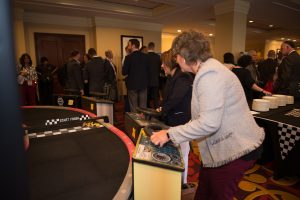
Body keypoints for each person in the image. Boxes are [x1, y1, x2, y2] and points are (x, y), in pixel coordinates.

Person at [150, 31, 265, 200]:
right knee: (204, 191)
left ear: (183, 56)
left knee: (218, 195)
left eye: (176, 56)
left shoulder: (210, 75)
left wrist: (169, 134)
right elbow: (203, 115)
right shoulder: (208, 69)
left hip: (235, 148)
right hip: (225, 147)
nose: (175, 60)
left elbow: (209, 123)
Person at [159, 49, 193, 187]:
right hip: (173, 120)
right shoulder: (172, 77)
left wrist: (162, 110)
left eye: (163, 63)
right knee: (175, 153)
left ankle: (182, 185)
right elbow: (168, 99)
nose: (161, 66)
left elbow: (174, 100)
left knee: (182, 154)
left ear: (168, 63)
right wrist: (161, 108)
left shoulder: (183, 77)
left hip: (181, 121)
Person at [122, 39, 149, 112]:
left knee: (133, 107)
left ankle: (135, 122)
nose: (128, 46)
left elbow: (124, 72)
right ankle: (143, 122)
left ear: (133, 46)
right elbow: (148, 70)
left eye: (129, 45)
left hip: (132, 85)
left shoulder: (128, 57)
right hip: (143, 84)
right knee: (143, 107)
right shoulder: (145, 56)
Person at [147, 42, 161, 108]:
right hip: (155, 80)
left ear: (148, 47)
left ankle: (148, 112)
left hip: (147, 81)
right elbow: (159, 69)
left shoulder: (145, 56)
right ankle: (156, 111)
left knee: (147, 98)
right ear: (153, 47)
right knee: (155, 98)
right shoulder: (158, 57)